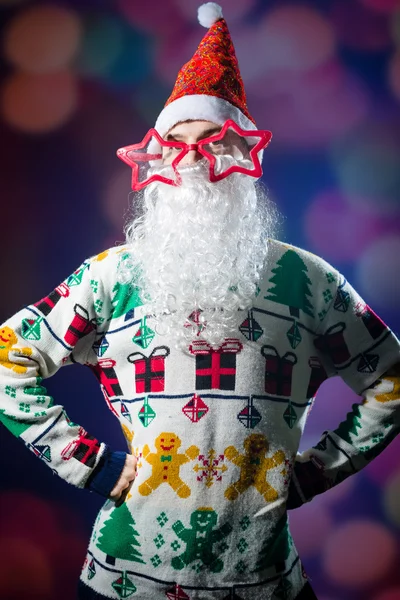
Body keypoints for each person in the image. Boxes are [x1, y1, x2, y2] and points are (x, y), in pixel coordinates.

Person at [0, 3, 399, 599]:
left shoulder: (307, 280)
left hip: (266, 584)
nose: (191, 161)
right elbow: (8, 356)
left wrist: (318, 472)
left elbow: (390, 379)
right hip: (123, 583)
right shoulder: (111, 277)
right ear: (155, 162)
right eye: (175, 144)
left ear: (243, 155)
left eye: (211, 141)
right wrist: (88, 462)